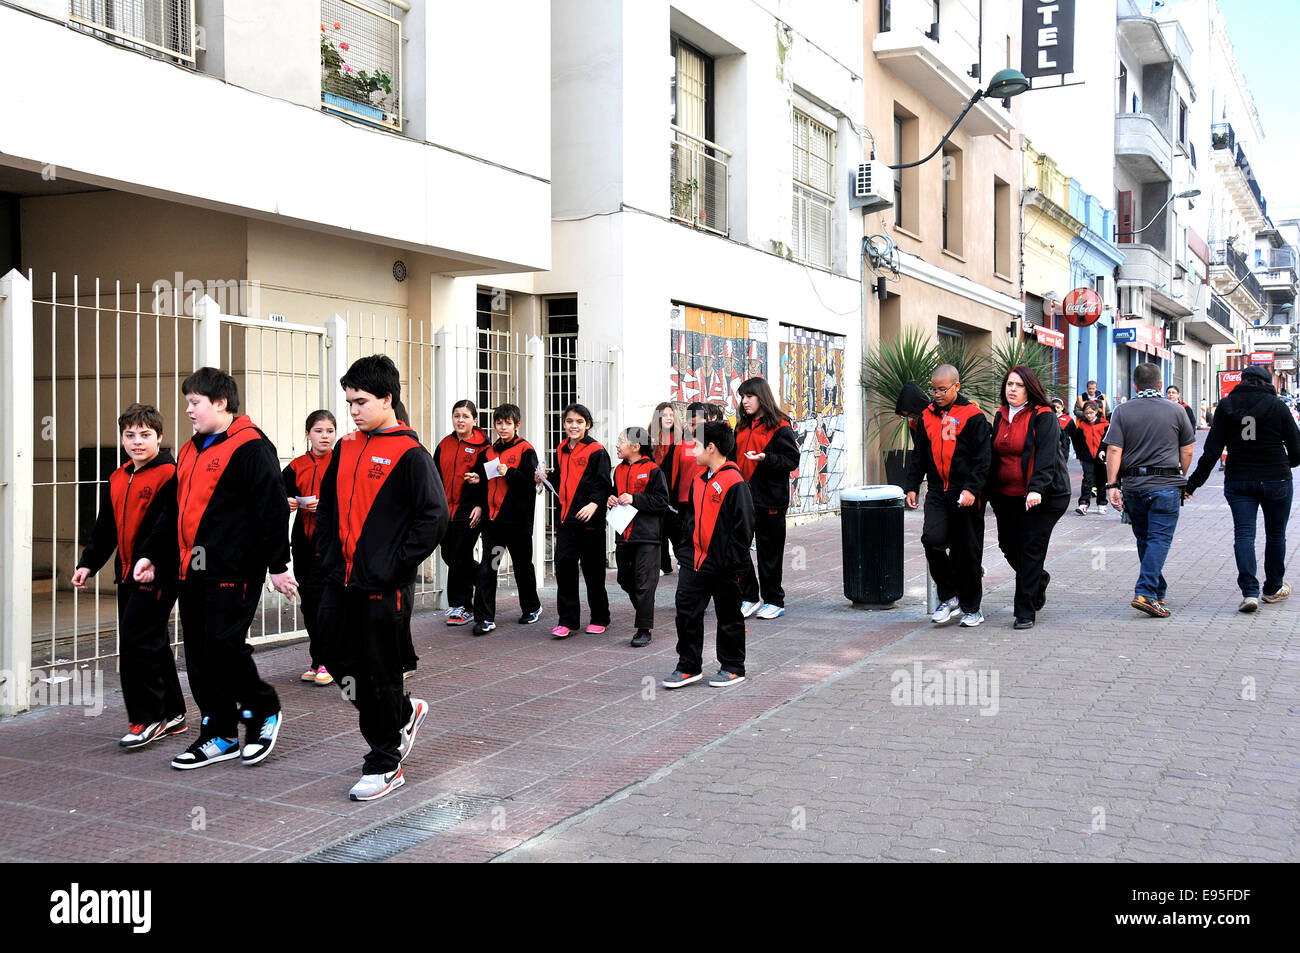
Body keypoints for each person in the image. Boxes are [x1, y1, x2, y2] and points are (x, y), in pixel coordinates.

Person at [133, 368, 295, 769]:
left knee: (225, 648)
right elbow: (173, 509)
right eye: (188, 402)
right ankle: (219, 733)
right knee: (200, 655)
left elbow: (271, 507)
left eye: (195, 402)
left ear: (220, 403)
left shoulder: (252, 447)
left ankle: (263, 709)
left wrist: (278, 564)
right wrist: (152, 552)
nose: (188, 410)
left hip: (234, 569)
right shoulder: (191, 449)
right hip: (193, 569)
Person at [313, 355, 448, 801]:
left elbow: (434, 517)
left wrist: (395, 565)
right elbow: (329, 506)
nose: (352, 410)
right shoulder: (347, 447)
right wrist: (329, 554)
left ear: (388, 399)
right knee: (330, 652)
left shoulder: (411, 454)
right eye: (349, 401)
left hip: (383, 586)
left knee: (379, 671)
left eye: (361, 402)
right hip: (341, 578)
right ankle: (402, 713)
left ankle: (385, 760)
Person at [72, 403, 187, 749]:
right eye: (130, 435)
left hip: (158, 574)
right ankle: (175, 713)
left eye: (145, 435)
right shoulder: (119, 476)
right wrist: (87, 563)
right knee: (151, 641)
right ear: (122, 438)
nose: (137, 442)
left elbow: (170, 528)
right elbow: (105, 527)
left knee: (137, 642)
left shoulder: (171, 474)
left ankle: (148, 718)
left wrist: (153, 561)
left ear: (160, 437)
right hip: (126, 572)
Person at [1185, 365, 1300, 611]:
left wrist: (1193, 484)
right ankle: (1273, 588)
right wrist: (1285, 462)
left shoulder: (1226, 407)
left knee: (1244, 534)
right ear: (1267, 382)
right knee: (1276, 534)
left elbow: (1211, 452)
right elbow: (1297, 450)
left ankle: (1249, 591)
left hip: (1239, 478)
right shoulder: (1277, 406)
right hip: (1276, 478)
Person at [661, 420, 755, 689]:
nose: (692, 451)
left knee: (728, 616)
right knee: (686, 612)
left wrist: (734, 564)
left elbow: (744, 529)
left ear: (711, 448)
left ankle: (733, 666)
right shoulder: (699, 480)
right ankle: (689, 666)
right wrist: (684, 551)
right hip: (694, 561)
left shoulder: (735, 482)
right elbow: (689, 520)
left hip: (724, 566)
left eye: (697, 445)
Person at [1104, 362, 1196, 618]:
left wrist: (1112, 484)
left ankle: (1157, 590)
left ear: (1134, 385)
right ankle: (1145, 592)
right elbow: (1187, 450)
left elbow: (1114, 450)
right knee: (1159, 539)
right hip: (1166, 486)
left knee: (1145, 539)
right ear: (1159, 385)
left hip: (1134, 486)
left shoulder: (1122, 411)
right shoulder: (1176, 410)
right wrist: (1181, 475)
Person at [904, 364, 991, 627]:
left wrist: (971, 489)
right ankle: (950, 596)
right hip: (937, 492)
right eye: (934, 389)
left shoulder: (973, 416)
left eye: (943, 389)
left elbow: (982, 459)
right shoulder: (926, 416)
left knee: (967, 551)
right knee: (932, 540)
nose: (937, 394)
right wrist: (911, 485)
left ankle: (972, 608)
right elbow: (918, 455)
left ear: (956, 386)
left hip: (965, 493)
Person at [985, 367, 1071, 629]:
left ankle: (1024, 611)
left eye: (1018, 385)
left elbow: (1046, 458)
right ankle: (1038, 579)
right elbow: (995, 454)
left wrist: (1037, 489)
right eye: (1009, 384)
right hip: (1007, 495)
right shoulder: (1000, 416)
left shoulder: (1043, 416)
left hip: (1045, 495)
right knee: (1008, 544)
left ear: (1030, 389)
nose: (1012, 389)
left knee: (1032, 548)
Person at [472, 404, 542, 635]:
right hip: (493, 523)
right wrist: (475, 479)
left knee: (522, 567)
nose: (503, 427)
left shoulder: (526, 450)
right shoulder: (488, 452)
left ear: (517, 425)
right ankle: (484, 618)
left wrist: (508, 472)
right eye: (499, 423)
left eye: (508, 423)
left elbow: (531, 482)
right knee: (488, 568)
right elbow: (483, 484)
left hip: (518, 522)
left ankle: (532, 608)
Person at [734, 377, 801, 620]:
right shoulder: (740, 426)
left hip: (770, 501)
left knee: (769, 553)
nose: (745, 401)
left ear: (761, 397)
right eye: (742, 397)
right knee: (737, 547)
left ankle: (774, 600)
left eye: (749, 396)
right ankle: (749, 596)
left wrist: (766, 459)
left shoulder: (780, 426)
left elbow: (791, 460)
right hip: (743, 500)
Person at [546, 403, 614, 638]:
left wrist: (594, 504)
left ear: (587, 425)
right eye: (569, 421)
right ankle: (567, 620)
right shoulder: (561, 448)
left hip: (590, 520)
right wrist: (545, 478)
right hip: (566, 519)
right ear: (563, 424)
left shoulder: (597, 451)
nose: (573, 426)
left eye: (578, 422)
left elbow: (605, 483)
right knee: (564, 566)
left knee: (593, 570)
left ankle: (600, 616)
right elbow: (561, 480)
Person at [283, 409, 336, 686]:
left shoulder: (341, 463)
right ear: (308, 434)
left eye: (329, 431)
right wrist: (288, 502)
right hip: (304, 542)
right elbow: (277, 494)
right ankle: (317, 660)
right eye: (319, 431)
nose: (324, 436)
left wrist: (324, 506)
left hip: (332, 544)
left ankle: (329, 660)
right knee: (310, 604)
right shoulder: (296, 466)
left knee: (328, 604)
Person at [608, 425, 669, 646]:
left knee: (644, 581)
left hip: (647, 536)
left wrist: (635, 499)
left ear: (635, 446)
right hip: (624, 534)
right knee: (624, 578)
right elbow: (615, 494)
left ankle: (644, 629)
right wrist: (611, 499)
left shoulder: (653, 470)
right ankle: (645, 611)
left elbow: (662, 502)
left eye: (620, 441)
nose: (617, 445)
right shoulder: (618, 469)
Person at [435, 400, 491, 627]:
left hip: (469, 511)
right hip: (444, 511)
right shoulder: (444, 444)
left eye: (466, 416)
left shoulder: (484, 448)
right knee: (450, 555)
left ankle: (462, 606)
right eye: (457, 416)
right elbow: (434, 474)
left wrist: (480, 505)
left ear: (475, 421)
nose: (460, 420)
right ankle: (486, 581)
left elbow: (491, 481)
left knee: (459, 556)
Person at [649, 401, 681, 574]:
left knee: (676, 529)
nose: (668, 418)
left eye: (671, 415)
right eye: (664, 415)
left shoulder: (682, 438)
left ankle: (682, 560)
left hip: (674, 489)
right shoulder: (651, 438)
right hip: (657, 488)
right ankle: (663, 564)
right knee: (658, 528)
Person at [1072, 401, 1110, 515]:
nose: (1089, 415)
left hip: (1101, 457)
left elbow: (1108, 440)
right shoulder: (1082, 425)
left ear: (1096, 412)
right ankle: (1083, 503)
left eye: (1091, 413)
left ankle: (1102, 503)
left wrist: (1105, 453)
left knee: (1101, 481)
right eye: (1086, 413)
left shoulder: (1104, 424)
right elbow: (1078, 442)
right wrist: (1080, 456)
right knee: (1087, 479)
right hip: (1087, 457)